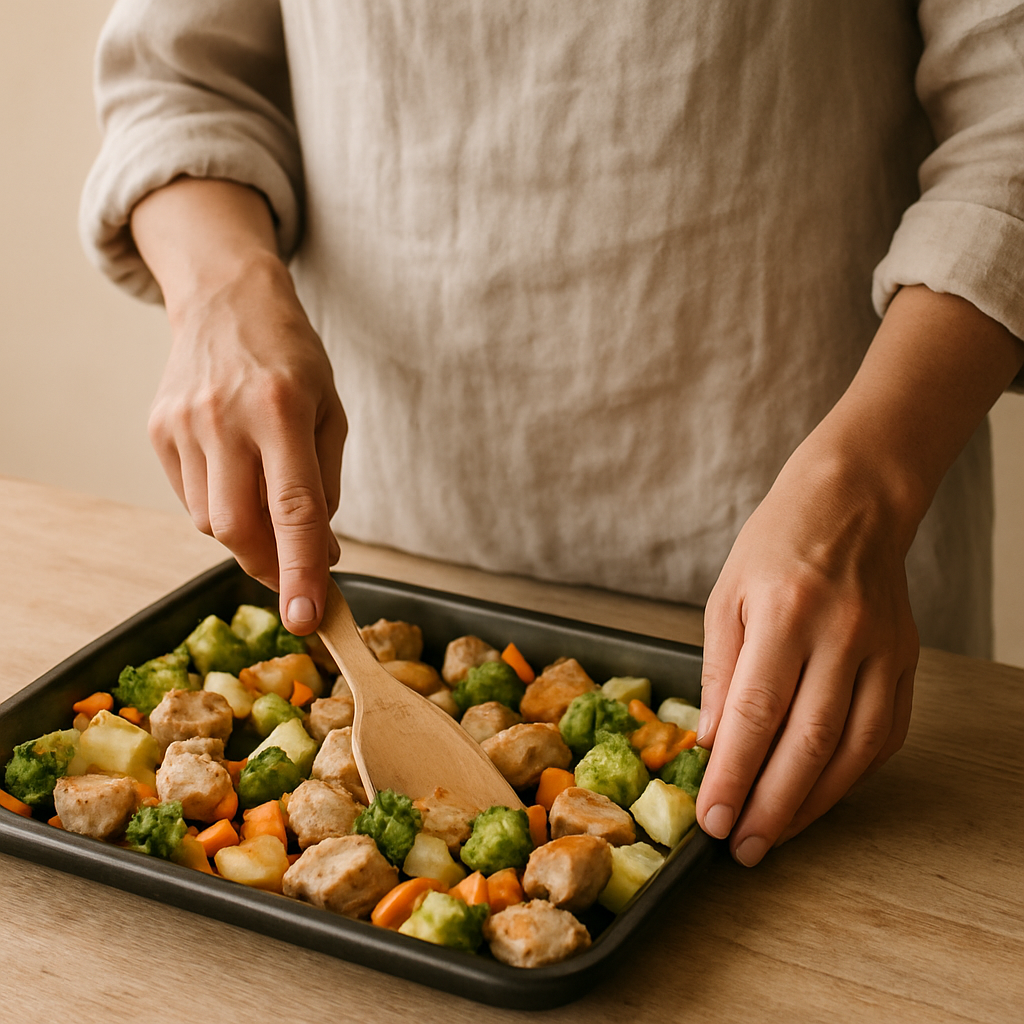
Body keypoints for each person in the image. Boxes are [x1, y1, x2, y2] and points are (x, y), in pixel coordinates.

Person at [80, 1, 1024, 866]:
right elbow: (179, 79)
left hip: (822, 551)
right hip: (373, 532)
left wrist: (868, 481)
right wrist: (218, 292)